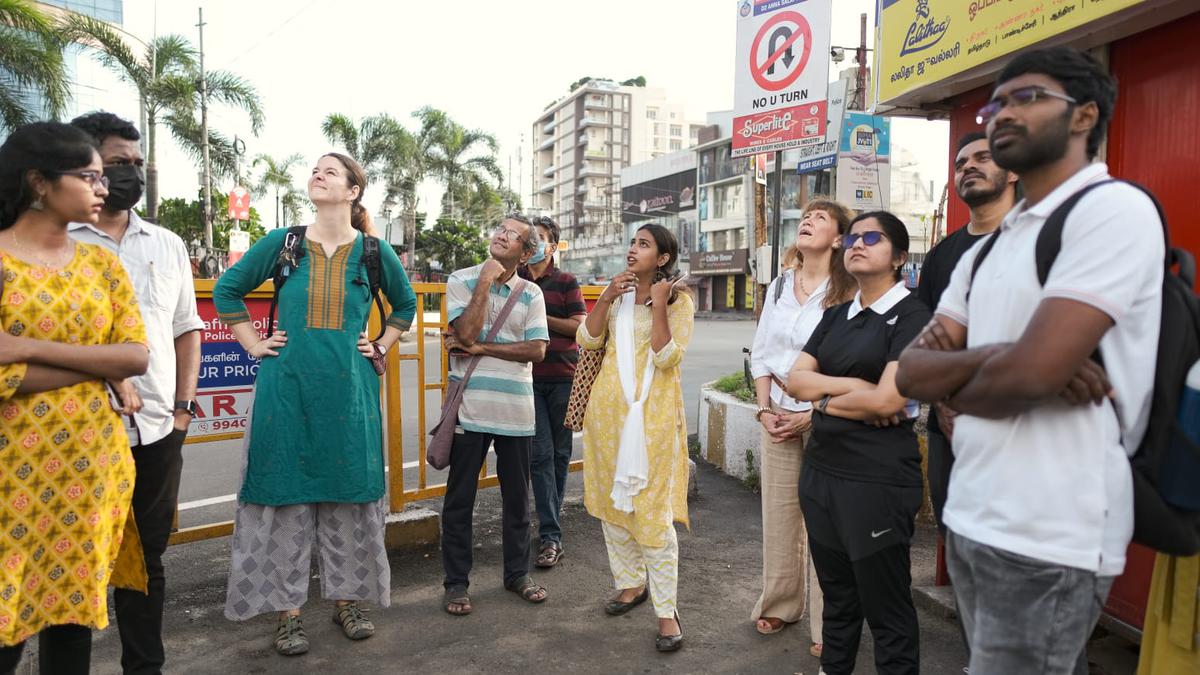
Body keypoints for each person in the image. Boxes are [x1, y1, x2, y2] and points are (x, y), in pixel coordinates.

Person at [896, 47, 1163, 675]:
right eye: (997, 104)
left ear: (1084, 116)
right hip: (970, 516)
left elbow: (1034, 376)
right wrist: (999, 355)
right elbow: (909, 374)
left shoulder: (1110, 211)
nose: (1001, 115)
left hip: (1050, 532)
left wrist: (973, 371)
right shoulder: (988, 250)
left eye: (1028, 98)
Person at [215, 153, 416, 656]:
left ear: (352, 191)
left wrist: (382, 343)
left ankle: (347, 601)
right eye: (315, 169)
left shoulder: (373, 250)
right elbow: (228, 289)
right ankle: (288, 615)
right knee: (285, 497)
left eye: (331, 170)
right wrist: (252, 343)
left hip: (350, 395)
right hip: (286, 391)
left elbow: (407, 304)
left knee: (348, 496)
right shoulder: (284, 242)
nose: (318, 174)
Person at [0, 122, 150, 674]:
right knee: (5, 618)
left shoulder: (101, 265)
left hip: (90, 470)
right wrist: (97, 369)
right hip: (11, 472)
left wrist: (22, 347)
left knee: (72, 619)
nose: (103, 187)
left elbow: (135, 356)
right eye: (89, 176)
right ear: (39, 182)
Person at [68, 111, 204, 675]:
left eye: (136, 163)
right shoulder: (57, 240)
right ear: (88, 168)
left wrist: (180, 412)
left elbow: (186, 327)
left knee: (147, 562)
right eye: (116, 164)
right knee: (71, 563)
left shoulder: (165, 243)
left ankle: (144, 668)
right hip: (75, 430)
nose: (129, 174)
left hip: (154, 429)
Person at [788, 211, 930, 675]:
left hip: (877, 481)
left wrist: (824, 400)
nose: (858, 243)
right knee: (839, 601)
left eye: (873, 237)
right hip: (822, 475)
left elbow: (890, 398)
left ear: (900, 256)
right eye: (853, 237)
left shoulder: (913, 315)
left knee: (886, 608)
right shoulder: (834, 315)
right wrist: (854, 391)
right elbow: (795, 380)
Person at [579, 224, 694, 652]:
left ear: (662, 258)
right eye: (632, 242)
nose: (633, 250)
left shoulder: (680, 302)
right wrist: (607, 296)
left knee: (653, 515)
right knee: (612, 506)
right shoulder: (617, 296)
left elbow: (666, 356)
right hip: (606, 418)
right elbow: (586, 340)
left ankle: (667, 611)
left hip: (653, 421)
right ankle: (630, 584)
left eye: (643, 244)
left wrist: (660, 305)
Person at [748, 198, 856, 652]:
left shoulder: (848, 291)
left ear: (838, 238)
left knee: (827, 526)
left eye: (821, 219)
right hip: (776, 414)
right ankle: (779, 603)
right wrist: (765, 410)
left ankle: (830, 627)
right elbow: (761, 353)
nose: (808, 222)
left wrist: (811, 414)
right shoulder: (777, 286)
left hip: (826, 418)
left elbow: (856, 365)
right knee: (779, 516)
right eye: (806, 217)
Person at [440, 213, 550, 616]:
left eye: (513, 235)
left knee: (518, 501)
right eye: (499, 229)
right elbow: (464, 333)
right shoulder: (462, 279)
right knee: (459, 500)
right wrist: (486, 281)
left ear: (526, 252)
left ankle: (517, 574)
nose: (501, 236)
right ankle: (456, 584)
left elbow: (537, 349)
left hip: (516, 412)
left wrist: (484, 350)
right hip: (471, 409)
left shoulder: (531, 293)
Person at [915, 132, 1017, 537]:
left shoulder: (1045, 240)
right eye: (960, 163)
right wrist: (942, 403)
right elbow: (926, 339)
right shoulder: (943, 255)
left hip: (1023, 433)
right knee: (959, 547)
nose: (968, 166)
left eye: (983, 157)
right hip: (952, 432)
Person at [518, 215, 586, 569]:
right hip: (527, 379)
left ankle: (550, 528)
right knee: (541, 455)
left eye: (540, 238)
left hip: (563, 378)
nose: (533, 243)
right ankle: (551, 535)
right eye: (530, 238)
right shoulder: (514, 279)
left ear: (553, 245)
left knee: (559, 456)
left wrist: (537, 315)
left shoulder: (565, 281)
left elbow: (578, 327)